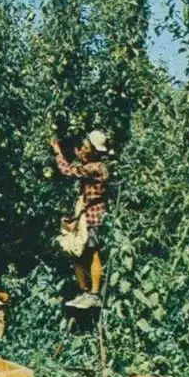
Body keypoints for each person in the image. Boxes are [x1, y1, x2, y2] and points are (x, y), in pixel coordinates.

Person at [51, 130, 110, 309]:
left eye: (86, 147)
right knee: (76, 252)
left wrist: (57, 152)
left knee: (93, 253)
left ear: (93, 150)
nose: (83, 150)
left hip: (93, 217)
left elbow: (68, 171)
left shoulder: (96, 168)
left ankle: (94, 294)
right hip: (85, 216)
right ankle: (85, 291)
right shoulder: (92, 165)